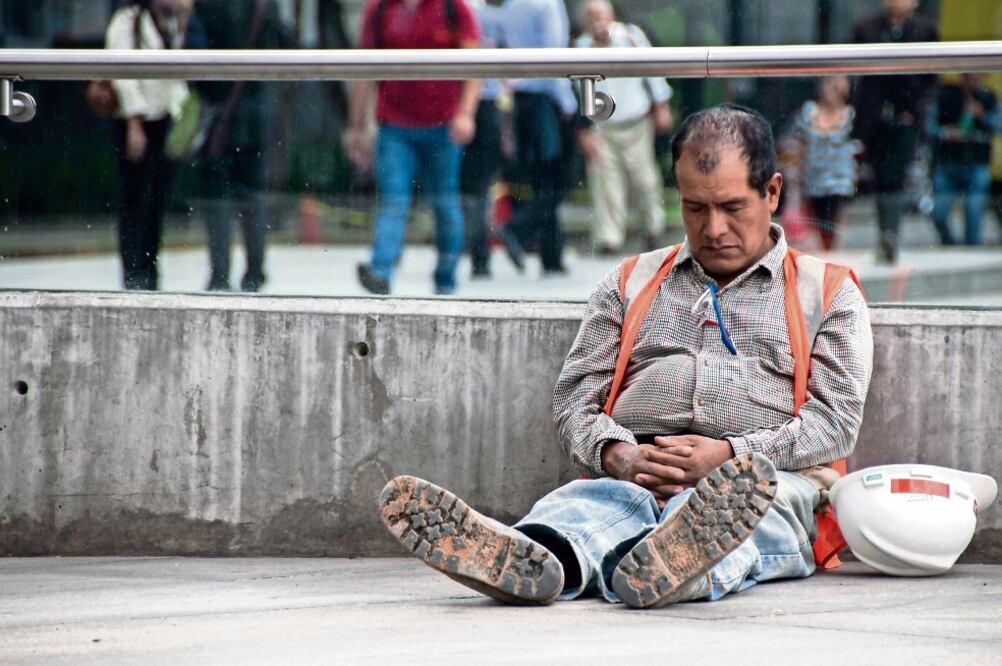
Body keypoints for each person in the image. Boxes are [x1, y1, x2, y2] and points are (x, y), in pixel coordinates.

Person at [378, 104, 874, 608]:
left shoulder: (826, 292)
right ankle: (541, 557)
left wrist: (729, 456)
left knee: (755, 518)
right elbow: (575, 399)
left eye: (732, 207)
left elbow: (835, 423)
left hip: (763, 481)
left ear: (771, 192)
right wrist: (620, 455)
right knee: (582, 508)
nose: (714, 228)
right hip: (634, 470)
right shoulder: (630, 280)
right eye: (695, 208)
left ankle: (680, 563)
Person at [347, 0, 481, 296]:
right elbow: (363, 72)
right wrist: (356, 127)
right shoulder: (380, 9)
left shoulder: (452, 8)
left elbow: (475, 64)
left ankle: (445, 277)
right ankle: (381, 272)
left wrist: (466, 113)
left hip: (444, 124)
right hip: (394, 126)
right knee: (393, 201)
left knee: (445, 203)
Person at [193, 0, 291, 293]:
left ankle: (220, 274)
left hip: (220, 113)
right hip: (257, 114)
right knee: (251, 194)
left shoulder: (209, 7)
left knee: (218, 195)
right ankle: (254, 271)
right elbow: (285, 43)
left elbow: (196, 53)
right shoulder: (265, 6)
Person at [574, 0, 673, 256]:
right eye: (591, 16)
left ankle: (653, 228)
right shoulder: (581, 47)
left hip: (637, 121)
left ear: (611, 16)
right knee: (606, 183)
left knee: (645, 179)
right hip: (603, 127)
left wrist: (661, 105)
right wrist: (584, 130)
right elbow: (577, 93)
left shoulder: (630, 37)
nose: (597, 20)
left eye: (601, 14)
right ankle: (609, 239)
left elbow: (653, 71)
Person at [106, 0, 191, 290]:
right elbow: (122, 74)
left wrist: (182, 19)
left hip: (162, 117)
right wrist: (134, 122)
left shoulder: (168, 21)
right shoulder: (126, 20)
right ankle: (133, 272)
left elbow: (175, 72)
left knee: (155, 199)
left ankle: (150, 271)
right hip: (135, 120)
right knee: (135, 199)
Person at [493, 0, 579, 275]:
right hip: (547, 100)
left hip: (523, 99)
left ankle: (552, 256)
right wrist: (568, 104)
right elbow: (554, 58)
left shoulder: (510, 6)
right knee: (559, 181)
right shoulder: (547, 5)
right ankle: (516, 229)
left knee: (543, 181)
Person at [853, 0, 939, 264]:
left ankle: (892, 234)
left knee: (898, 175)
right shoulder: (866, 28)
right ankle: (885, 233)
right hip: (874, 118)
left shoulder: (925, 30)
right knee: (880, 176)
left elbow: (931, 79)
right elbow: (856, 75)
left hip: (907, 118)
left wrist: (915, 110)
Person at [926, 73, 1001, 246]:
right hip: (948, 163)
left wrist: (982, 115)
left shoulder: (989, 98)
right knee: (939, 212)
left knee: (974, 213)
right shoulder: (947, 96)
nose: (973, 79)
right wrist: (946, 133)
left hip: (976, 163)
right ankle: (950, 245)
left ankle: (971, 248)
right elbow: (930, 125)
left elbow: (998, 125)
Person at [460, 0, 505, 279]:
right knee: (477, 188)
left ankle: (477, 251)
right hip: (479, 104)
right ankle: (478, 251)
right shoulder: (487, 12)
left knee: (471, 189)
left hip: (476, 104)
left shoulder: (462, 11)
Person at [792, 76, 862, 251]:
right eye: (828, 84)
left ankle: (833, 253)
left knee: (835, 221)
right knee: (818, 223)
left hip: (840, 180)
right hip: (813, 179)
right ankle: (825, 252)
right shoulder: (809, 111)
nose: (832, 90)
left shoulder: (851, 114)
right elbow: (798, 144)